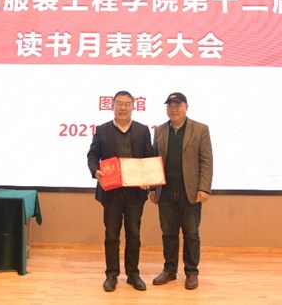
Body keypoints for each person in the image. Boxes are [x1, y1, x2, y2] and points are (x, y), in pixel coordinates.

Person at [87, 90, 155, 292]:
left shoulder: (143, 130)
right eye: (119, 103)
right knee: (111, 235)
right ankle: (111, 274)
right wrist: (96, 171)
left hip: (135, 193)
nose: (123, 108)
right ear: (113, 106)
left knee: (134, 234)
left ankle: (133, 274)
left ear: (133, 107)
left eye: (127, 104)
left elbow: (149, 158)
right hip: (111, 192)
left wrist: (148, 180)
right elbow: (92, 156)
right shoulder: (102, 130)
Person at [150, 92, 213, 290]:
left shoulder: (200, 129)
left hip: (190, 191)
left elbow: (206, 161)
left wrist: (204, 188)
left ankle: (192, 272)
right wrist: (152, 187)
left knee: (191, 233)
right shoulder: (159, 130)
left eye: (178, 105)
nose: (173, 109)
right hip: (166, 191)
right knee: (168, 233)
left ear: (186, 107)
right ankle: (169, 270)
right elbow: (154, 161)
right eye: (170, 106)